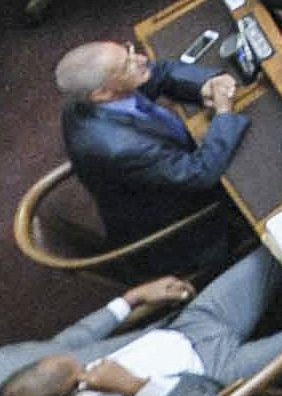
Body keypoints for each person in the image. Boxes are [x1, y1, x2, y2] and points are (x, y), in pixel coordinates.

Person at [0, 249, 282, 396]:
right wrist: (133, 386)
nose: (82, 362)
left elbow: (70, 341)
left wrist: (130, 299)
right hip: (213, 380)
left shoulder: (9, 362)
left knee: (277, 248)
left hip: (185, 326)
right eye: (79, 372)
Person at [53, 42, 246, 260]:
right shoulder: (122, 148)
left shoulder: (93, 98)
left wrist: (205, 83)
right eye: (127, 65)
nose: (142, 59)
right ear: (102, 93)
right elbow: (199, 173)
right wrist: (224, 113)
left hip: (168, 169)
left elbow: (159, 73)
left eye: (130, 52)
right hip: (187, 227)